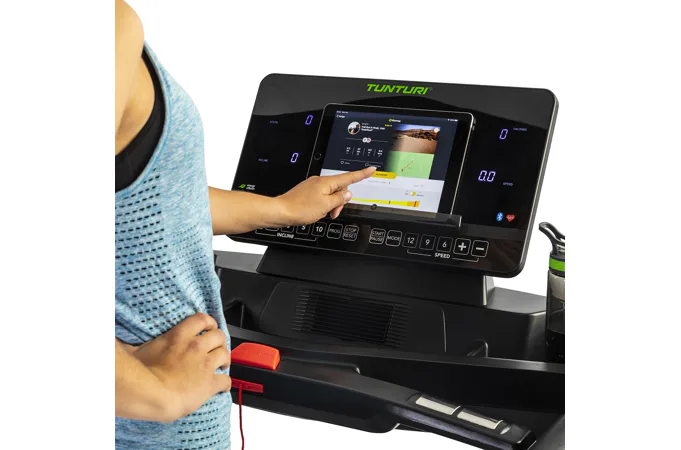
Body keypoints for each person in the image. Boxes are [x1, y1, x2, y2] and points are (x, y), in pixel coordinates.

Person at [114, 1, 376, 448]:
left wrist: (281, 209)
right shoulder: (104, 29)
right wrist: (160, 394)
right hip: (149, 429)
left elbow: (153, 199)